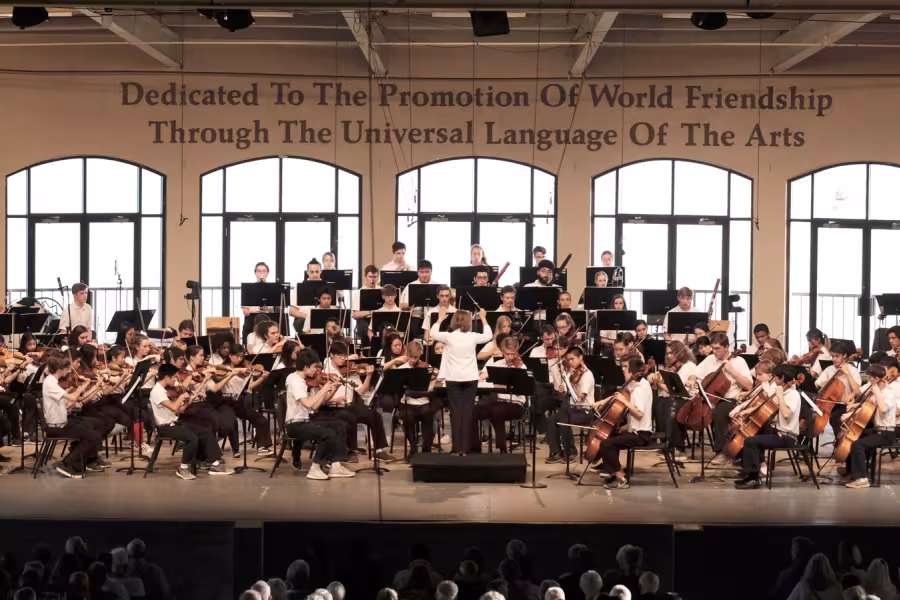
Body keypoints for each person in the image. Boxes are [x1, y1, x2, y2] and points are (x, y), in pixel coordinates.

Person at [149, 363, 232, 479]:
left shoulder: (163, 390)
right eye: (174, 377)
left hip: (174, 422)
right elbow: (173, 407)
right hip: (165, 427)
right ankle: (183, 468)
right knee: (191, 437)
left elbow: (177, 411)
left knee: (204, 430)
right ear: (167, 377)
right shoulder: (157, 391)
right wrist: (181, 397)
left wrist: (188, 402)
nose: (175, 380)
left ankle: (215, 464)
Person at [284, 347, 355, 479]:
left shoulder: (302, 381)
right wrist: (323, 391)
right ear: (305, 367)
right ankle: (315, 467)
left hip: (304, 420)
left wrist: (332, 388)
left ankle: (336, 466)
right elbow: (308, 404)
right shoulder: (295, 381)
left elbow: (315, 406)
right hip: (295, 425)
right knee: (328, 434)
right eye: (313, 367)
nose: (316, 371)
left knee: (339, 425)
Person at [430, 307, 492, 456]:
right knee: (467, 412)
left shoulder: (449, 337)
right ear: (468, 322)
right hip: (470, 378)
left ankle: (456, 448)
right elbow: (489, 335)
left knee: (456, 413)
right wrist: (483, 318)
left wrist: (439, 318)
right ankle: (466, 449)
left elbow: (432, 334)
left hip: (453, 379)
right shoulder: (472, 336)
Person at [320, 340, 393, 461]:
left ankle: (379, 450)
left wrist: (368, 376)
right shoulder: (325, 369)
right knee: (349, 417)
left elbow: (361, 391)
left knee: (374, 415)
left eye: (345, 355)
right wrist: (334, 398)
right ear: (331, 355)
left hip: (349, 404)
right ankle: (350, 451)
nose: (343, 359)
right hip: (332, 407)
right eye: (340, 355)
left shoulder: (351, 369)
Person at [735, 363, 803, 489]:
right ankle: (748, 474)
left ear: (781, 378)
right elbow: (769, 406)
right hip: (778, 432)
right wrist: (745, 412)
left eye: (776, 377)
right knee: (750, 435)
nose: (774, 380)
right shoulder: (784, 392)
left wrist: (780, 396)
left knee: (751, 442)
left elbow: (787, 414)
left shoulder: (793, 394)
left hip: (787, 437)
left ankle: (754, 478)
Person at [591, 355, 653, 489]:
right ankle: (609, 472)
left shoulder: (639, 390)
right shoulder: (641, 384)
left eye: (626, 368)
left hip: (641, 435)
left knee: (607, 444)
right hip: (636, 429)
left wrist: (625, 402)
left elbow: (639, 413)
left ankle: (620, 477)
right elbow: (621, 394)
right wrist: (625, 427)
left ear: (632, 372)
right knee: (610, 435)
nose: (623, 371)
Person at [41, 355, 105, 478]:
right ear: (59, 369)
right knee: (93, 435)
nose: (69, 371)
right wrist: (82, 386)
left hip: (61, 421)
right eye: (67, 368)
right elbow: (72, 397)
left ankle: (84, 461)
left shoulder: (53, 381)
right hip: (57, 425)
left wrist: (91, 386)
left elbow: (78, 398)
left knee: (95, 425)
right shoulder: (50, 382)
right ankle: (68, 465)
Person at [698, 332, 753, 453]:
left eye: (717, 348)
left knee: (719, 412)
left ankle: (721, 452)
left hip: (732, 399)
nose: (714, 352)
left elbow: (749, 386)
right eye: (712, 348)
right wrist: (692, 378)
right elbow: (697, 373)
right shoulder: (710, 359)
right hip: (712, 398)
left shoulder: (739, 361)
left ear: (726, 347)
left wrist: (732, 371)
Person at [843, 364, 896, 488]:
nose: (868, 379)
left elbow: (883, 409)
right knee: (855, 437)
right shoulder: (875, 391)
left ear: (877, 379)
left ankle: (862, 479)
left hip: (886, 433)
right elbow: (867, 408)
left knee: (858, 445)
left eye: (870, 377)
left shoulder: (889, 393)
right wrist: (852, 410)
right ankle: (854, 473)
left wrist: (878, 393)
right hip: (877, 430)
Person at [474, 336, 527, 454]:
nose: (510, 357)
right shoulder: (497, 364)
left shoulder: (521, 366)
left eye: (513, 353)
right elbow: (481, 377)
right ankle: (474, 448)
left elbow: (524, 389)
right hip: (498, 403)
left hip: (515, 404)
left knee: (496, 410)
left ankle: (502, 448)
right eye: (507, 354)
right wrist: (483, 378)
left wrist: (517, 372)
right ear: (502, 352)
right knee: (475, 410)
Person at [648, 340, 697, 461]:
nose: (669, 356)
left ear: (680, 353)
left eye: (671, 353)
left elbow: (678, 390)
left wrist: (660, 384)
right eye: (668, 353)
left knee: (672, 406)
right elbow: (672, 390)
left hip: (690, 400)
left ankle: (679, 447)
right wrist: (653, 377)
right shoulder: (674, 367)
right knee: (658, 404)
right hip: (678, 398)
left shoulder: (689, 366)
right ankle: (665, 442)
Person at [546, 346, 595, 463]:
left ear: (581, 357)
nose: (570, 362)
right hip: (572, 409)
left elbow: (581, 396)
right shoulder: (571, 373)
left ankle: (572, 452)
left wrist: (568, 390)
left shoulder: (587, 375)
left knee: (564, 419)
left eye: (572, 359)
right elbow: (566, 392)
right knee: (552, 419)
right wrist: (562, 389)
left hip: (584, 410)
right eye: (568, 360)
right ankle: (557, 451)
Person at [815, 339, 862, 439]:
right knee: (812, 417)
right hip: (830, 404)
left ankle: (841, 442)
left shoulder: (853, 371)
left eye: (837, 356)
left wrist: (847, 374)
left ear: (844, 355)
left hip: (846, 405)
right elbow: (817, 385)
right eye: (832, 356)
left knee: (835, 418)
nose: (833, 359)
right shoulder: (829, 370)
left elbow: (858, 392)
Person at [241, 262, 275, 345]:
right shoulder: (248, 289)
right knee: (247, 325)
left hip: (269, 316)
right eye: (259, 271)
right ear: (255, 273)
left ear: (267, 273)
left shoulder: (273, 289)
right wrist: (257, 309)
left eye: (264, 271)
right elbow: (245, 312)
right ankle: (247, 347)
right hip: (253, 317)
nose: (261, 273)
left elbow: (276, 308)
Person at [401, 260, 435, 338]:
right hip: (415, 317)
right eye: (421, 272)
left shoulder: (436, 286)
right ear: (417, 272)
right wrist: (411, 305)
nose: (424, 275)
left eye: (427, 272)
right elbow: (401, 305)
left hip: (431, 318)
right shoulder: (410, 286)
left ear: (431, 272)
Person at [352, 265, 381, 342]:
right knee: (364, 327)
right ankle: (367, 350)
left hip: (379, 319)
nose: (373, 280)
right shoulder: (359, 293)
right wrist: (369, 312)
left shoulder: (382, 291)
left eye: (375, 277)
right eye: (370, 277)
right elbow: (354, 315)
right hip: (365, 320)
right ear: (365, 276)